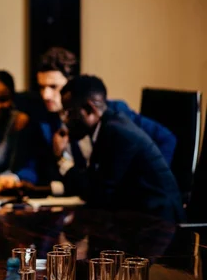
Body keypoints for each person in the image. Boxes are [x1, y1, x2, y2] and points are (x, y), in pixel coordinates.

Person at [32, 47, 177, 189]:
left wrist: (153, 181)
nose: (46, 95)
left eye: (54, 87)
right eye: (41, 87)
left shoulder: (114, 113)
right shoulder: (45, 122)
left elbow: (166, 138)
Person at [58, 75, 185, 223]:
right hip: (140, 218)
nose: (65, 120)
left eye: (69, 113)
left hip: (160, 222)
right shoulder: (106, 128)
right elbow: (94, 185)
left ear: (89, 109)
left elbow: (100, 193)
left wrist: (61, 159)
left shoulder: (117, 132)